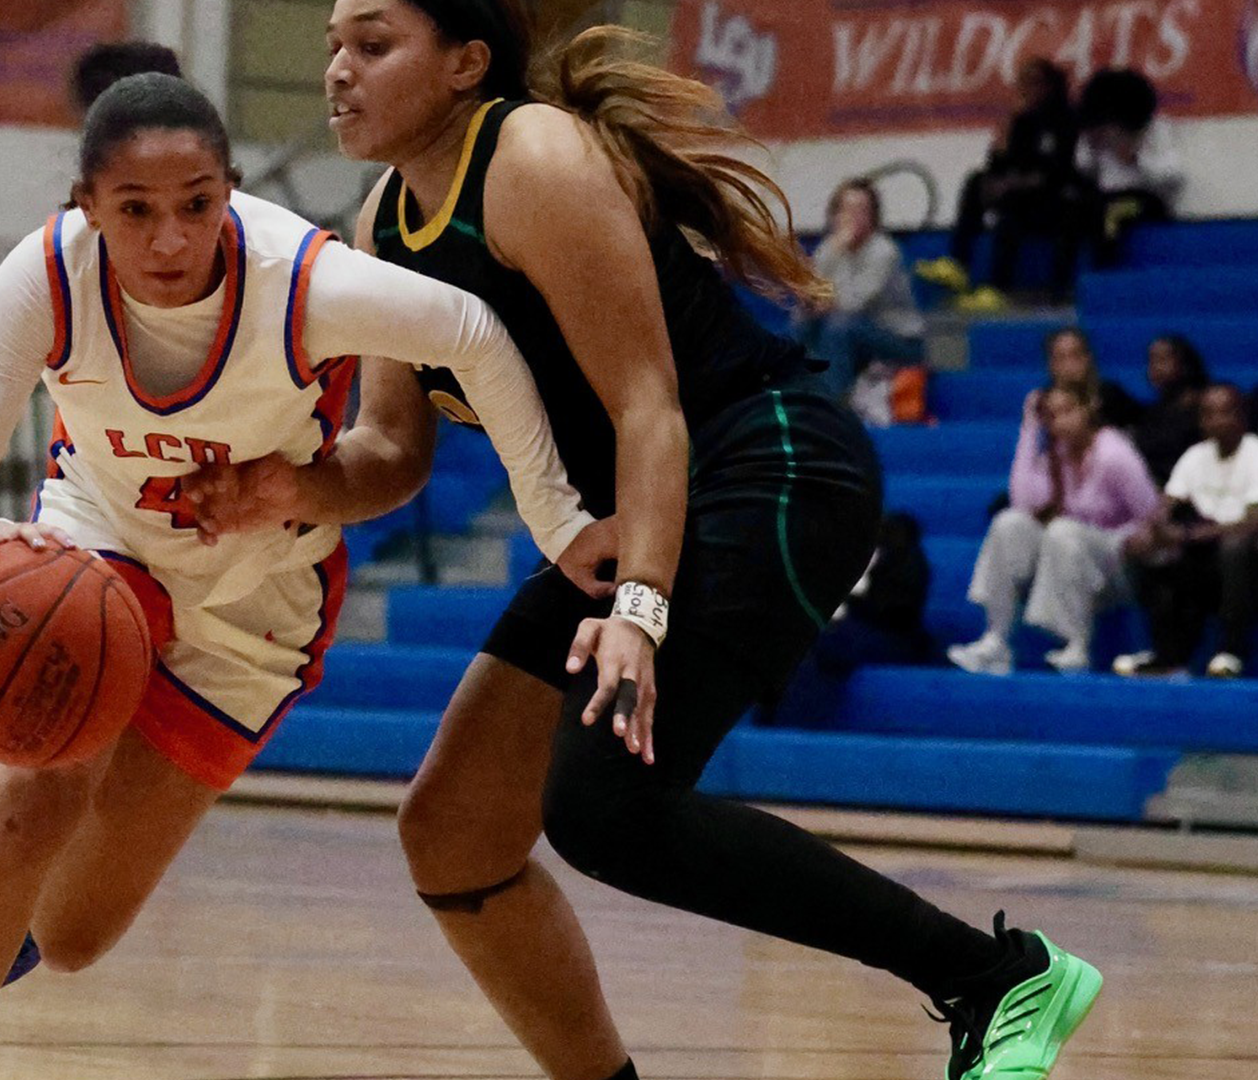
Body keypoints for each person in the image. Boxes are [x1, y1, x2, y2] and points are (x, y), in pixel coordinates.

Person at [189, 6, 1101, 1080]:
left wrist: (641, 610)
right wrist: (280, 489)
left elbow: (648, 404)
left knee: (605, 808)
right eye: (334, 44)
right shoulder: (384, 218)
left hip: (765, 463)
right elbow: (393, 450)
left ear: (465, 64)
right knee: (454, 833)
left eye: (374, 44)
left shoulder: (530, 156)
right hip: (630, 514)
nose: (338, 71)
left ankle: (995, 978)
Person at [0, 71, 601, 1080]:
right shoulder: (45, 277)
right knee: (28, 810)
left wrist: (557, 515)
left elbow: (475, 335)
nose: (171, 240)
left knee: (78, 934)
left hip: (255, 598)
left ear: (229, 191)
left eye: (196, 205)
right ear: (86, 209)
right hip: (102, 548)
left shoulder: (304, 283)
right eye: (136, 212)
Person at [949, 386, 1162, 675]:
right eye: (1051, 416)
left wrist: (1119, 540)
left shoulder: (1114, 455)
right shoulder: (1056, 455)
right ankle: (996, 641)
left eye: (1068, 412)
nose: (1060, 422)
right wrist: (1029, 428)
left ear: (1087, 410)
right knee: (1009, 523)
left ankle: (1077, 646)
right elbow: (1022, 501)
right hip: (1066, 557)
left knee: (1062, 530)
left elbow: (1153, 519)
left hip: (1119, 567)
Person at [1115, 384, 1258, 678]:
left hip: (1246, 558)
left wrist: (1188, 535)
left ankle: (1231, 650)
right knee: (1153, 548)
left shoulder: (1255, 453)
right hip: (1203, 550)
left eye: (1225, 412)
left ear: (1242, 417)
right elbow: (1166, 504)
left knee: (1235, 548)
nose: (1217, 420)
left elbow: (1251, 523)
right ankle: (1167, 656)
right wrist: (1154, 530)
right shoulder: (1195, 455)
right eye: (1208, 414)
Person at [917, 57, 1082, 309]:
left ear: (1049, 86)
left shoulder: (1064, 120)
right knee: (977, 182)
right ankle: (958, 264)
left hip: (1050, 201)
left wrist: (1013, 183)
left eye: (1033, 82)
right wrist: (1001, 142)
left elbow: (1058, 171)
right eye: (1021, 82)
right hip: (836, 308)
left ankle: (996, 289)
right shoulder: (833, 254)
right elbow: (1001, 166)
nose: (1025, 89)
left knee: (1011, 211)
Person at [762, 512, 934, 728]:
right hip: (851, 630)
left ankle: (789, 727)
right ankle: (780, 723)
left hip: (890, 636)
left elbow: (896, 613)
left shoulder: (903, 556)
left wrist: (849, 606)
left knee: (813, 642)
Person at [793, 178, 926, 402]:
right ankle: (802, 399)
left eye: (862, 210)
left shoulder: (884, 251)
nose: (853, 216)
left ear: (873, 216)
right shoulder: (830, 248)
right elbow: (807, 297)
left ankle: (835, 404)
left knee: (839, 326)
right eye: (847, 209)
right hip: (853, 335)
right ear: (835, 215)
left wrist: (821, 301)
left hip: (898, 340)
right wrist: (833, 254)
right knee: (802, 326)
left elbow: (853, 304)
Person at [1075, 68, 1182, 268]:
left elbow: (1172, 175)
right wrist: (1093, 148)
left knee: (1111, 213)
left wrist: (1135, 157)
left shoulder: (1156, 130)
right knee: (1076, 211)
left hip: (1146, 199)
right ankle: (1063, 283)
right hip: (1105, 196)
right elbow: (1082, 167)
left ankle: (1106, 270)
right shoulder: (1096, 134)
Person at [1129, 333, 1210, 485]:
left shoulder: (1204, 411)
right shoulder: (1152, 414)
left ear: (1185, 364)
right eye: (1151, 361)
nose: (1155, 368)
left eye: (1162, 360)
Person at [1032, 326, 1140, 432]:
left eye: (1076, 355)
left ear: (1088, 358)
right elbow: (1028, 446)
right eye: (1061, 357)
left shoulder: (1112, 396)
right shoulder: (1039, 400)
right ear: (1050, 364)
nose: (1069, 364)